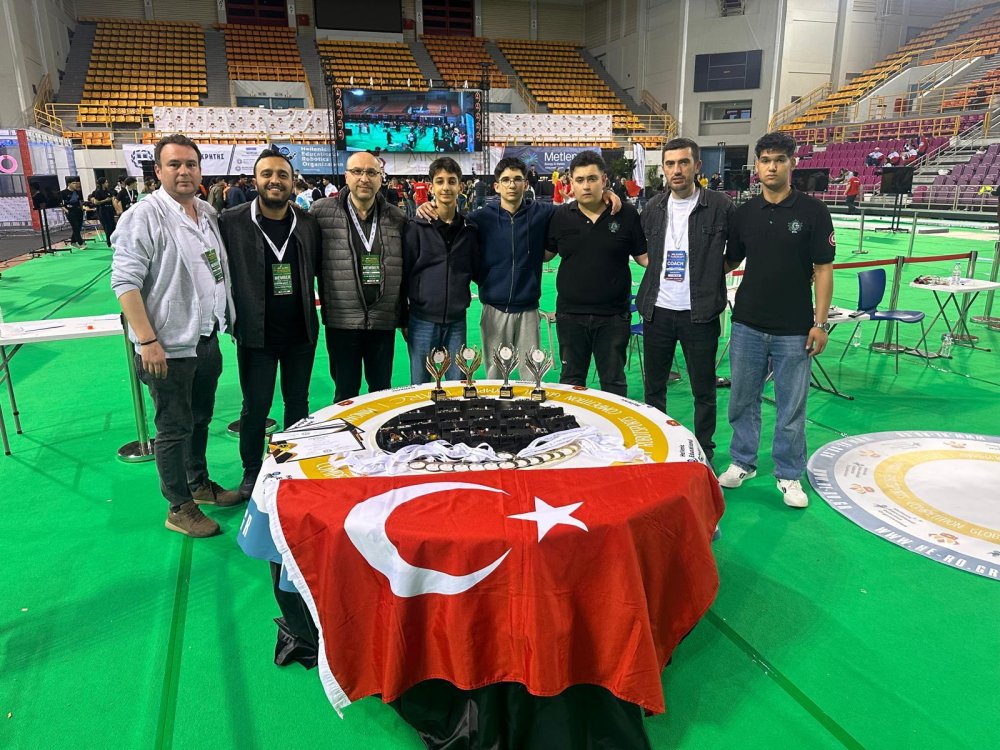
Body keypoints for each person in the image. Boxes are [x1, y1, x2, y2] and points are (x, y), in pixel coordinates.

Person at [110, 134, 241, 538]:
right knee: (172, 427)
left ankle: (198, 483)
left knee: (200, 418)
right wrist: (147, 340)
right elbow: (125, 282)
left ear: (200, 170)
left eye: (190, 164)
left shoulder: (206, 213)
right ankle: (178, 506)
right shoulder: (143, 216)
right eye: (174, 164)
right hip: (165, 345)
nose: (184, 171)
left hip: (205, 337)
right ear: (158, 171)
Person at [718, 132, 835, 509]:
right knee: (742, 399)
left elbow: (823, 269)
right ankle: (743, 461)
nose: (771, 166)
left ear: (792, 163)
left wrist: (820, 323)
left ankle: (789, 473)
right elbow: (730, 260)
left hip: (794, 328)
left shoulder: (813, 212)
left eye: (779, 160)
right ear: (757, 165)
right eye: (765, 160)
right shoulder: (744, 212)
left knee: (791, 407)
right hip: (747, 323)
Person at [219, 149, 323, 499]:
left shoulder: (307, 223)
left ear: (293, 182)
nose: (275, 180)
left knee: (298, 403)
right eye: (267, 174)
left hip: (300, 332)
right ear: (256, 180)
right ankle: (253, 470)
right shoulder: (231, 222)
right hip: (256, 334)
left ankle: (291, 464)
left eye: (282, 175)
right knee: (256, 407)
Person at [635, 138, 734, 465]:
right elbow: (640, 250)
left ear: (697, 166)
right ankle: (658, 447)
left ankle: (705, 451)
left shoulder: (720, 206)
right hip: (657, 312)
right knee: (654, 390)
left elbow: (736, 251)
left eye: (683, 163)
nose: (676, 170)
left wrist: (710, 272)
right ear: (663, 168)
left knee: (703, 391)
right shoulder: (652, 208)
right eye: (670, 164)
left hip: (700, 314)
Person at [545, 151, 648, 397]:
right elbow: (545, 255)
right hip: (570, 316)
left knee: (613, 383)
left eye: (592, 179)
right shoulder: (560, 217)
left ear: (604, 180)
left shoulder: (626, 215)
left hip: (613, 317)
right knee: (570, 383)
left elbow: (644, 258)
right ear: (571, 183)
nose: (586, 186)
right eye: (580, 180)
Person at [311, 152, 407, 402]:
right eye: (357, 171)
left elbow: (405, 271)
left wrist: (403, 317)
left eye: (371, 172)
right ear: (346, 176)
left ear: (381, 178)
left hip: (382, 321)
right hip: (342, 321)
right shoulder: (321, 212)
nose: (364, 178)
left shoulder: (397, 218)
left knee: (381, 391)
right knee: (345, 394)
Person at [402, 156, 480, 383]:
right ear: (431, 187)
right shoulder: (415, 227)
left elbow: (476, 269)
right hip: (421, 320)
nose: (446, 187)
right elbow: (404, 274)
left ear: (460, 187)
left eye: (452, 181)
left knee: (458, 386)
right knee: (421, 387)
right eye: (440, 181)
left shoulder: (470, 230)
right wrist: (403, 318)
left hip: (457, 321)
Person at [60, 177, 86, 248]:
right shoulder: (63, 193)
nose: (75, 185)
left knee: (79, 227)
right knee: (75, 227)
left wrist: (82, 208)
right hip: (70, 212)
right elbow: (60, 204)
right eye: (73, 183)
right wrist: (67, 211)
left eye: (76, 183)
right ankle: (80, 242)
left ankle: (73, 242)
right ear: (69, 184)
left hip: (79, 211)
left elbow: (80, 201)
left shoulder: (77, 192)